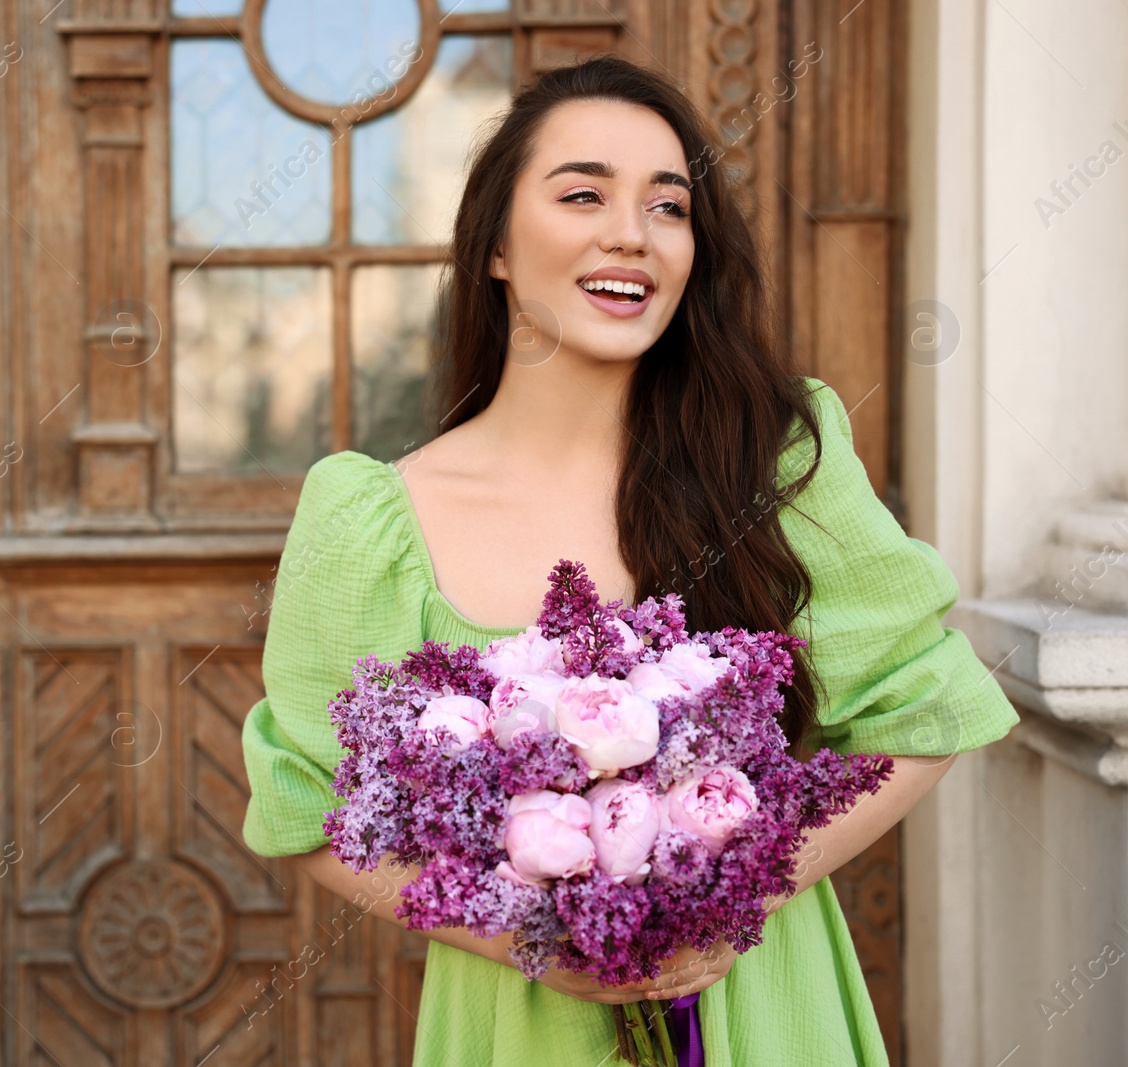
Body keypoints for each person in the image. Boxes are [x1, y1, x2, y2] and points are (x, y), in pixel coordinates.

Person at [239, 53, 1017, 1066]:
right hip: (522, 1021)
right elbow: (311, 810)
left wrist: (730, 900)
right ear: (496, 247)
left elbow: (926, 710)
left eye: (668, 206)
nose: (630, 232)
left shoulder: (778, 457)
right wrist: (536, 938)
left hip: (762, 999)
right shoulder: (365, 518)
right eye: (581, 194)